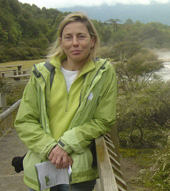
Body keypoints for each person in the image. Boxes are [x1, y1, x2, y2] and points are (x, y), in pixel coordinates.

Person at [14, 12, 117, 191]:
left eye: (81, 36)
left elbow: (103, 120)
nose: (75, 43)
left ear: (92, 41)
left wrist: (65, 144)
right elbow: (25, 120)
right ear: (61, 42)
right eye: (68, 37)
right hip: (41, 165)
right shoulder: (41, 74)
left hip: (78, 170)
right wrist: (51, 148)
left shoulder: (103, 73)